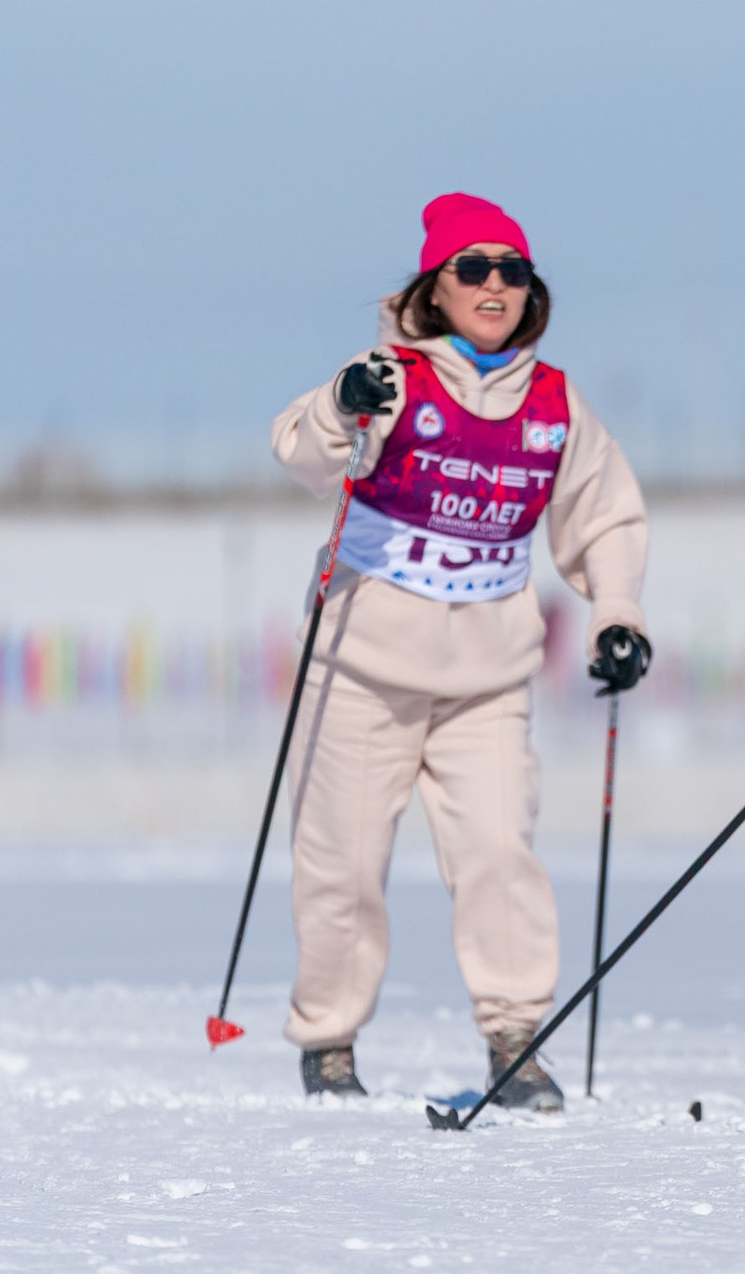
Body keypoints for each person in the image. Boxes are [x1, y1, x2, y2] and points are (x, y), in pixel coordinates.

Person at [270, 192, 653, 1109]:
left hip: (487, 678)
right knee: (345, 865)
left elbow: (605, 516)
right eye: (472, 269)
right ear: (434, 288)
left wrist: (617, 614)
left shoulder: (555, 403)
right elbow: (303, 453)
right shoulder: (388, 376)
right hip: (363, 671)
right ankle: (329, 1041)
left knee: (497, 854)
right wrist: (339, 405)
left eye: (511, 271)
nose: (494, 285)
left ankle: (515, 1037)